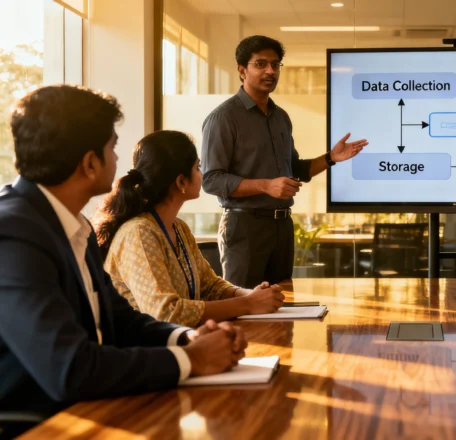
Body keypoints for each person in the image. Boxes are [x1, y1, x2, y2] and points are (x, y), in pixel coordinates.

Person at [0, 85, 247, 436]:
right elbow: (70, 368)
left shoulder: (74, 226)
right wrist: (192, 359)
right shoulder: (13, 233)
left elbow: (120, 319)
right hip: (42, 426)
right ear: (90, 163)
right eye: (112, 148)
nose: (118, 161)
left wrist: (188, 338)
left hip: (92, 409)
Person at [201, 35, 368, 287]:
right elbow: (211, 180)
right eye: (261, 64)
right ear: (242, 70)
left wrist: (330, 158)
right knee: (244, 302)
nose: (270, 71)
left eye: (275, 64)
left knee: (282, 301)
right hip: (245, 226)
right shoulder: (223, 118)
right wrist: (266, 185)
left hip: (282, 227)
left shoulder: (280, 117)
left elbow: (296, 169)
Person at [94, 130, 286, 327]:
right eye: (197, 167)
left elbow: (210, 286)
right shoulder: (139, 233)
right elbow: (166, 313)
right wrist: (248, 304)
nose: (202, 174)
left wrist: (252, 295)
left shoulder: (179, 227)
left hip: (184, 338)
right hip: (145, 344)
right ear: (181, 182)